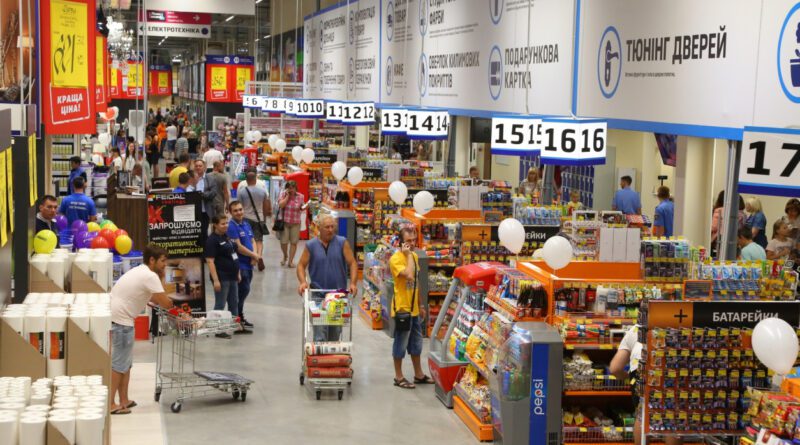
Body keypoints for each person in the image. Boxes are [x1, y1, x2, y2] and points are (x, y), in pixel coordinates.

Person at [109, 244, 173, 414]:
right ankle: (110, 404)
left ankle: (124, 400)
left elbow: (153, 298)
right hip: (121, 320)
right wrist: (163, 279)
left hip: (119, 317)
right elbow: (165, 303)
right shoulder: (150, 276)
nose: (165, 265)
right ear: (152, 260)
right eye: (162, 261)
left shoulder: (141, 271)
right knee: (119, 364)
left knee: (125, 363)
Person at [610, 325, 682, 445]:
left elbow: (615, 368)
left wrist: (628, 378)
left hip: (640, 371)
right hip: (670, 369)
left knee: (642, 415)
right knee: (671, 415)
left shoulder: (635, 329)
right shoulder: (677, 325)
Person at [296, 214, 358, 341]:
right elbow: (301, 265)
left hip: (338, 296)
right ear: (319, 228)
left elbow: (352, 263)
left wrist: (353, 283)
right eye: (327, 227)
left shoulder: (342, 242)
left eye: (332, 227)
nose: (330, 230)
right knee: (320, 335)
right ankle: (320, 352)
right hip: (318, 296)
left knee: (335, 335)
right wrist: (303, 282)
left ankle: (332, 352)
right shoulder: (311, 245)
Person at [389, 226, 432, 389]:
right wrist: (407, 255)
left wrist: (421, 304)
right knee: (400, 343)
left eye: (414, 240)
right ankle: (398, 376)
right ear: (401, 242)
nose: (412, 243)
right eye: (408, 241)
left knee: (416, 343)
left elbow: (416, 282)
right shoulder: (396, 259)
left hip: (414, 308)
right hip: (402, 308)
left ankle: (418, 374)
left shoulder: (414, 256)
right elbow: (408, 275)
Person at [204, 214, 240, 339]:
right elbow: (210, 261)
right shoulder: (212, 240)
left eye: (227, 223)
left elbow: (233, 254)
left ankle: (234, 325)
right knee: (220, 303)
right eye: (223, 224)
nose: (226, 226)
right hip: (222, 277)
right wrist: (216, 280)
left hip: (232, 276)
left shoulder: (226, 236)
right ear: (215, 225)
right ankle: (218, 330)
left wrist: (238, 272)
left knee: (234, 302)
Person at [227, 201, 261, 329]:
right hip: (240, 265)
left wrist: (254, 255)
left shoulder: (246, 224)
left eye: (240, 209)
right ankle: (235, 318)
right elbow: (238, 247)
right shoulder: (231, 226)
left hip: (249, 264)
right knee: (240, 292)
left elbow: (252, 240)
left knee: (244, 292)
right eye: (235, 210)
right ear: (230, 212)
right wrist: (254, 255)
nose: (239, 212)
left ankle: (239, 317)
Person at [237, 168, 271, 265]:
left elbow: (239, 206)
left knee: (249, 239)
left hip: (246, 218)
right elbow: (265, 206)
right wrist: (264, 218)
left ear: (246, 180)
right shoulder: (262, 191)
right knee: (259, 240)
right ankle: (259, 256)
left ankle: (253, 257)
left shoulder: (242, 191)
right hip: (258, 218)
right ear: (256, 178)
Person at [277, 180, 305, 268]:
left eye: (293, 188)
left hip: (296, 222)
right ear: (286, 188)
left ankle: (290, 261)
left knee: (294, 242)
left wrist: (306, 206)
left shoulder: (301, 196)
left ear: (296, 188)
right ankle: (285, 255)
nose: (291, 190)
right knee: (283, 242)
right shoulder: (283, 194)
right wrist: (287, 197)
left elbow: (302, 207)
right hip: (284, 222)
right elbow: (281, 205)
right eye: (289, 188)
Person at [710, 191, 746, 256]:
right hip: (736, 240)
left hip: (719, 240)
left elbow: (714, 227)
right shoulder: (742, 214)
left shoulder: (719, 210)